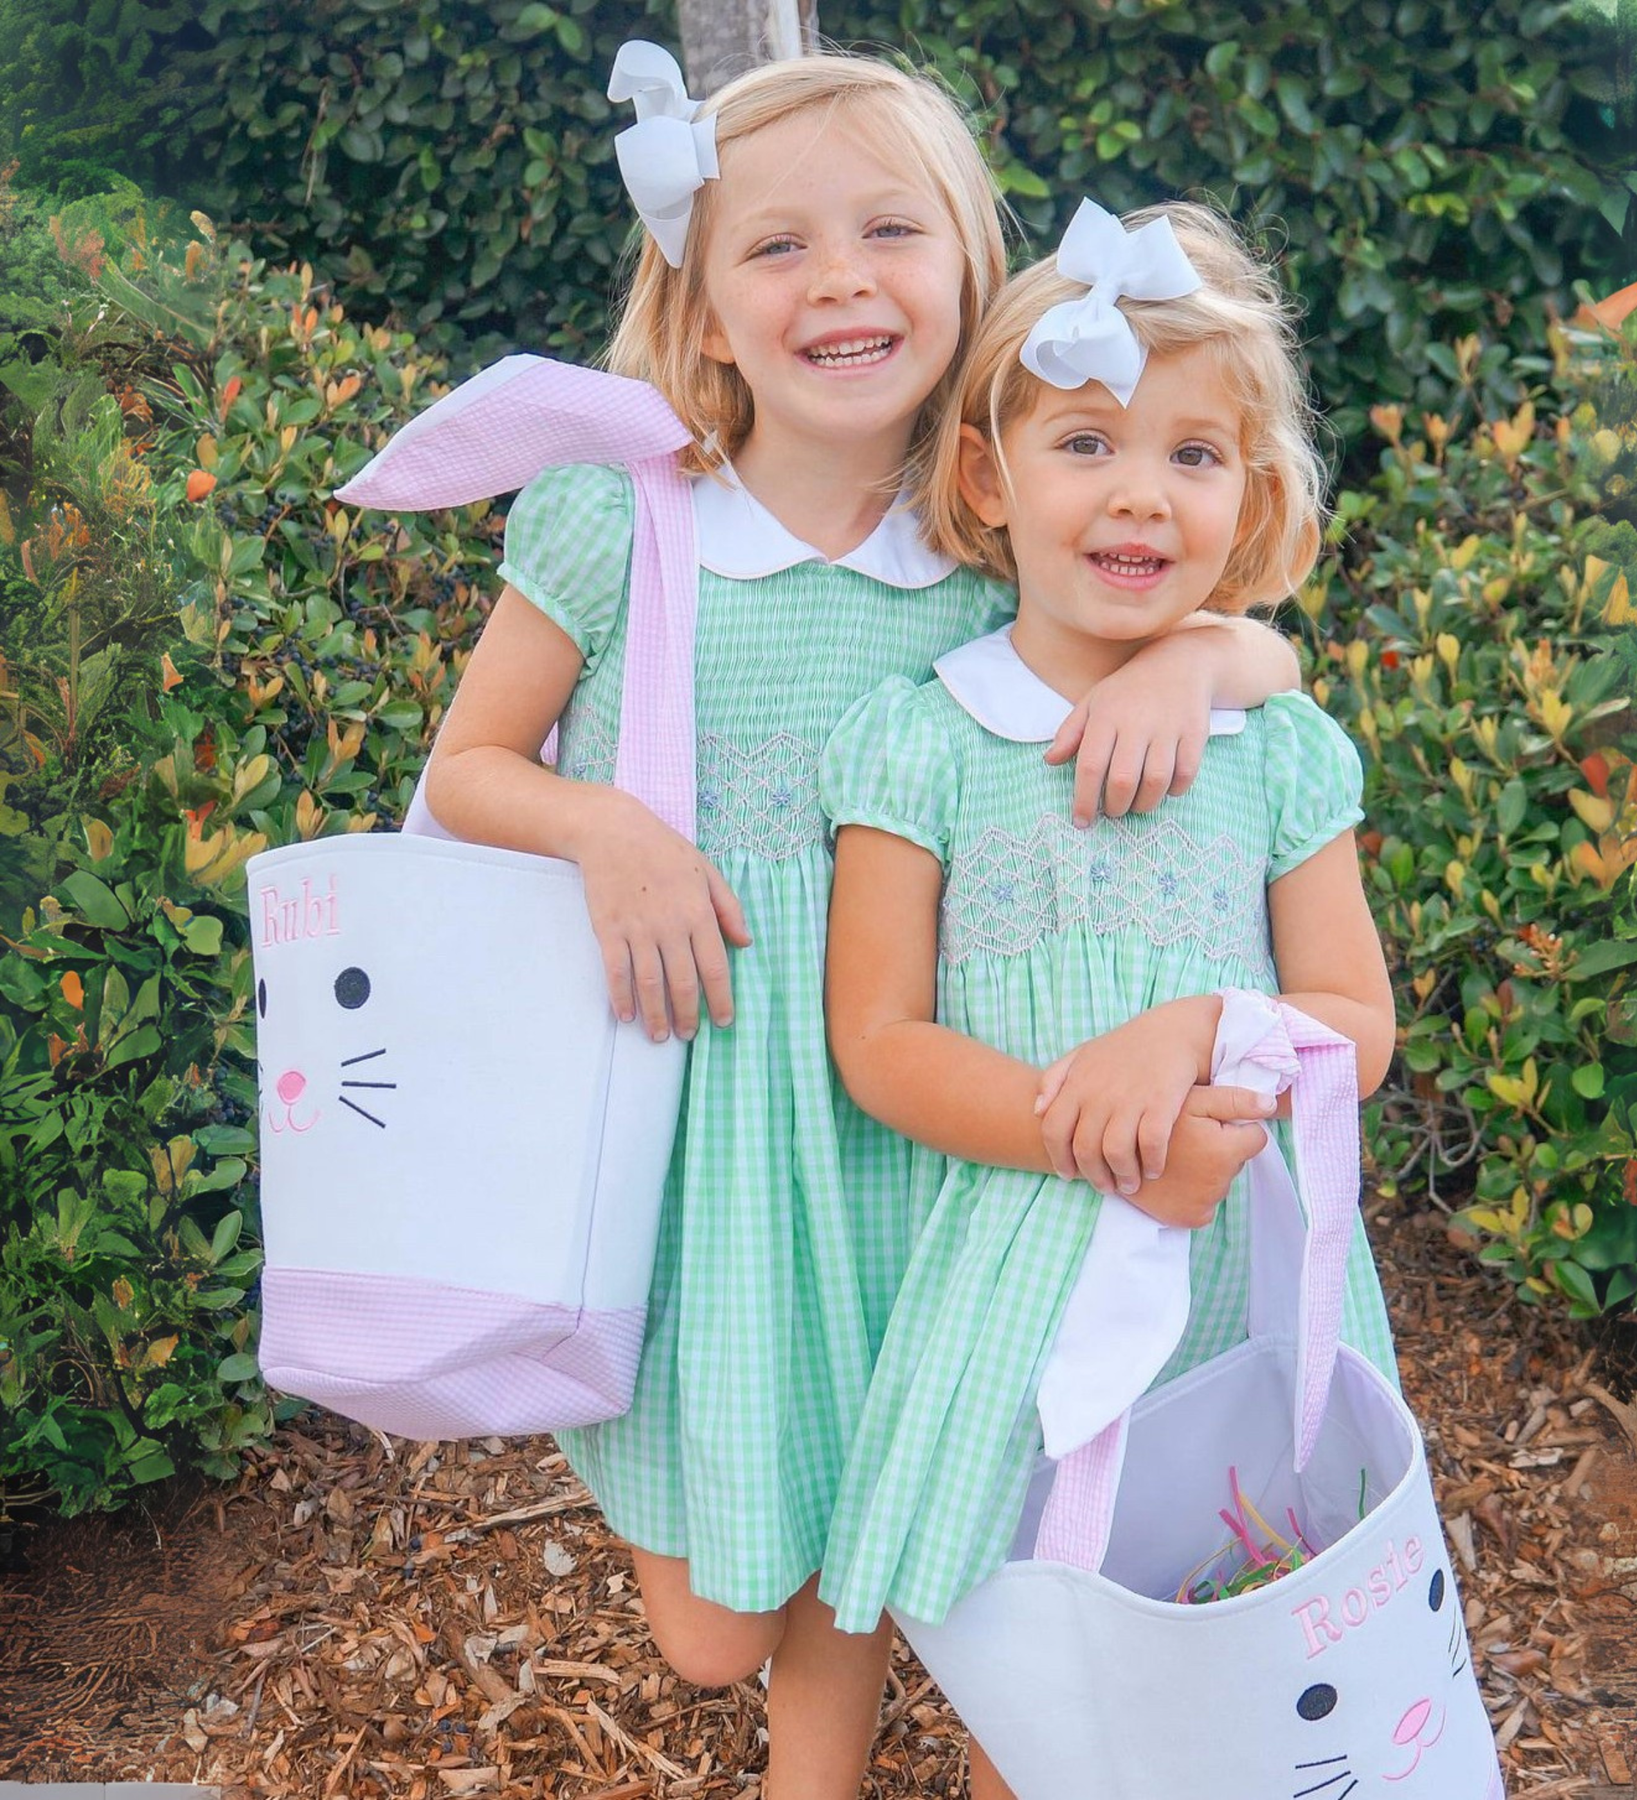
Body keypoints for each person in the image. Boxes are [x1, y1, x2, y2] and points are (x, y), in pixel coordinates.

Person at [424, 46, 1303, 1800]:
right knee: (714, 1622)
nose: (840, 279)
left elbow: (1239, 625)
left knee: (933, 1496)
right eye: (779, 246)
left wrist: (1203, 661)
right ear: (703, 307)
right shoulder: (622, 523)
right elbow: (466, 770)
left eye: (891, 231)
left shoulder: (989, 534)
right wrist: (605, 828)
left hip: (944, 1123)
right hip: (720, 1130)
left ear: (971, 270)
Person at [817, 198, 1402, 1799]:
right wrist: (1096, 1136)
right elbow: (879, 1041)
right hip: (1021, 1275)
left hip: (1236, 1279)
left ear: (1251, 497)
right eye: (1086, 443)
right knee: (1048, 1690)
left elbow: (1353, 1022)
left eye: (1193, 455)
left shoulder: (1280, 752)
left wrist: (1203, 1034)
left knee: (1243, 1640)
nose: (1141, 491)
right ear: (988, 476)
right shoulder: (922, 740)